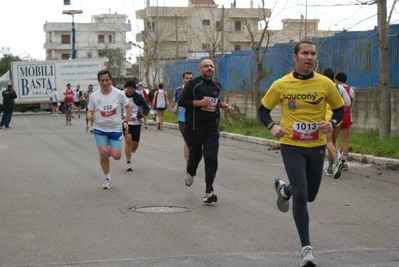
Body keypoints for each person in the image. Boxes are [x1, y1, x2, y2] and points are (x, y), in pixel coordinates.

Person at [258, 41, 344, 267]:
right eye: (305, 53)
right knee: (302, 192)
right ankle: (307, 249)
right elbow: (263, 110)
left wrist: (332, 122)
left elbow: (339, 108)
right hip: (291, 145)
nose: (309, 57)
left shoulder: (325, 83)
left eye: (313, 54)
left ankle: (283, 189)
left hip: (316, 147)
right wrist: (272, 127)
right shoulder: (281, 84)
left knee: (310, 195)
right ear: (295, 57)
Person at [178, 59, 232, 204]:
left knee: (211, 157)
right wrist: (200, 103)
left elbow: (215, 100)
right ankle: (190, 171)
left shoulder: (216, 85)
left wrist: (223, 105)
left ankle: (209, 191)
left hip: (211, 127)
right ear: (199, 69)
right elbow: (182, 102)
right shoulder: (192, 84)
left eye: (211, 66)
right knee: (195, 156)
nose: (209, 68)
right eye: (206, 66)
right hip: (194, 128)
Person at [87, 69, 132, 189]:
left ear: (111, 80)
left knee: (116, 155)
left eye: (107, 80)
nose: (105, 83)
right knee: (103, 153)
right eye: (102, 81)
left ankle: (106, 155)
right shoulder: (94, 96)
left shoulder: (119, 94)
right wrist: (89, 116)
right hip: (100, 129)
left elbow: (129, 107)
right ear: (99, 82)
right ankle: (107, 178)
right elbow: (90, 111)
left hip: (115, 129)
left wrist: (125, 121)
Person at [322, 68, 351, 178]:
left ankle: (336, 162)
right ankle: (330, 169)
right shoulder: (338, 87)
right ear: (334, 78)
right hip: (337, 118)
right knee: (333, 143)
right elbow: (347, 102)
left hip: (326, 118)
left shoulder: (322, 86)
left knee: (328, 143)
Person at [123, 80, 150, 171]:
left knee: (134, 146)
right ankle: (128, 163)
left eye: (132, 88)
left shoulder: (138, 97)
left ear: (134, 88)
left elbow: (147, 108)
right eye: (128, 88)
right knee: (128, 140)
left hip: (136, 123)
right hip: (125, 123)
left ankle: (131, 150)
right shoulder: (122, 97)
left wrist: (142, 114)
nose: (130, 90)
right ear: (126, 88)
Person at [335, 72, 355, 171]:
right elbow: (351, 103)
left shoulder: (336, 88)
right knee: (345, 139)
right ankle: (345, 163)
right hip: (347, 114)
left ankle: (338, 156)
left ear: (337, 80)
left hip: (338, 114)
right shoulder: (351, 90)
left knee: (334, 138)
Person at [173, 71, 193, 161]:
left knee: (194, 142)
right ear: (183, 79)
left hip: (194, 118)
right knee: (186, 140)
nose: (189, 80)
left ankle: (193, 158)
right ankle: (188, 164)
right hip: (183, 119)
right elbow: (176, 101)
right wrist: (175, 107)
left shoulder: (197, 89)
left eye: (190, 78)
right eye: (187, 78)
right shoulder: (179, 90)